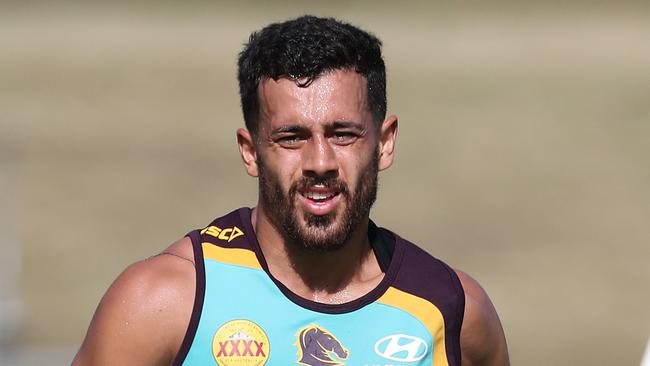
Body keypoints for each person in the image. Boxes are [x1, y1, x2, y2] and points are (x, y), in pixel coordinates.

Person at [73, 15, 509, 366]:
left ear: (385, 142)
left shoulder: (453, 312)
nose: (319, 162)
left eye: (343, 134)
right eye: (291, 137)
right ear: (250, 152)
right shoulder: (162, 303)